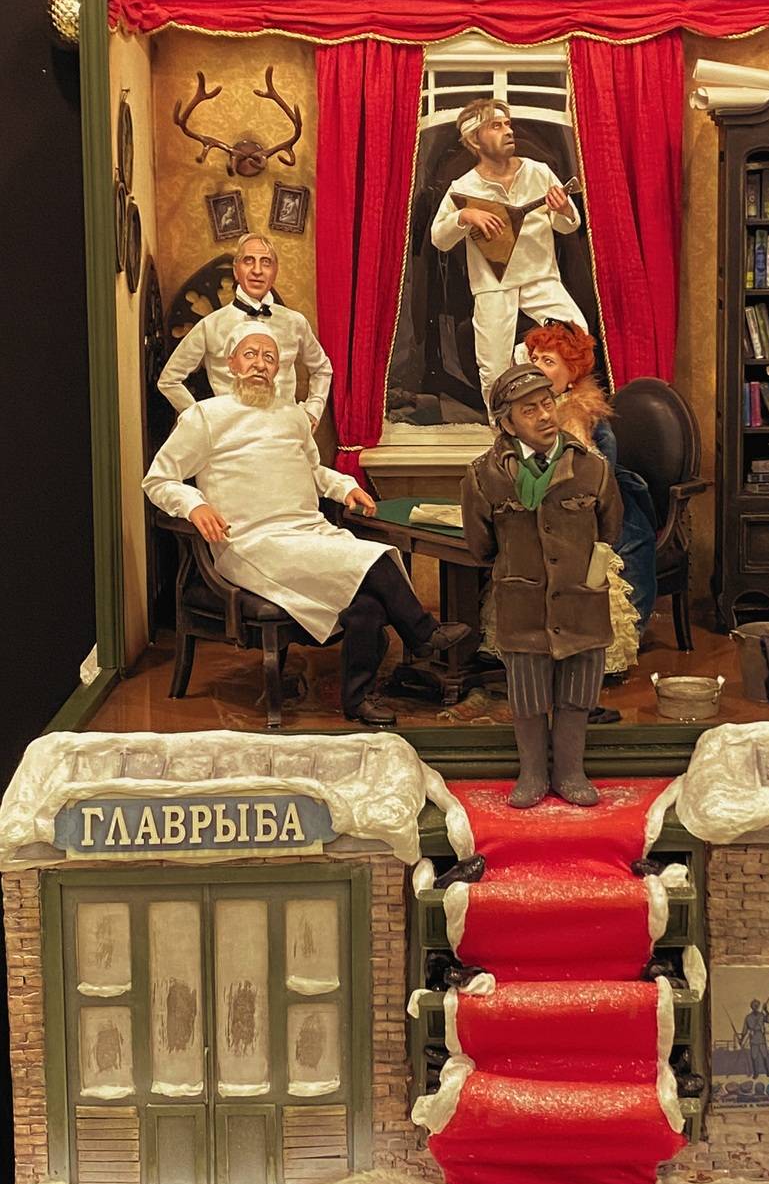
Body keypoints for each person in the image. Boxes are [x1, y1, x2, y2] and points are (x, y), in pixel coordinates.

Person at [144, 326, 468, 726]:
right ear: (231, 364)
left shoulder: (292, 415)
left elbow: (313, 470)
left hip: (307, 533)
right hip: (249, 543)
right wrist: (194, 505)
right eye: (250, 355)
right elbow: (158, 480)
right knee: (375, 558)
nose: (259, 364)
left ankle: (358, 700)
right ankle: (423, 633)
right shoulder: (205, 416)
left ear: (278, 369)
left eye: (269, 357)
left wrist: (345, 487)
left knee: (365, 604)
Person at [460, 363, 622, 808]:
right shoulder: (485, 476)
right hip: (523, 603)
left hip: (581, 602)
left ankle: (570, 770)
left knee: (577, 692)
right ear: (507, 423)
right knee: (528, 693)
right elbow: (481, 546)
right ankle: (532, 772)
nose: (545, 416)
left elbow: (610, 529)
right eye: (528, 410)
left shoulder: (591, 468)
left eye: (547, 403)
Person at [430, 99, 586, 415]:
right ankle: (501, 429)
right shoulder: (464, 187)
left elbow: (568, 225)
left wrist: (563, 209)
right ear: (475, 139)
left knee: (575, 335)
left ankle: (556, 412)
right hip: (493, 285)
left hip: (540, 276)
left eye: (508, 124)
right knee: (492, 368)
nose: (508, 131)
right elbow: (439, 239)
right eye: (496, 126)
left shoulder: (538, 172)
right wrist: (464, 216)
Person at [525, 320, 658, 640]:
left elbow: (597, 479)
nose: (537, 366)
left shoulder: (585, 418)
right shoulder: (529, 411)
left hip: (599, 509)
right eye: (534, 358)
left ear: (572, 373)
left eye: (548, 361)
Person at [157, 233, 333, 427]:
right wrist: (202, 421)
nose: (257, 270)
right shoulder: (211, 325)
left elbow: (322, 368)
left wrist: (313, 410)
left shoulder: (295, 322)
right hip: (231, 436)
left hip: (285, 433)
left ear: (275, 271)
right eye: (248, 261)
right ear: (236, 270)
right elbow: (169, 380)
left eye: (266, 262)